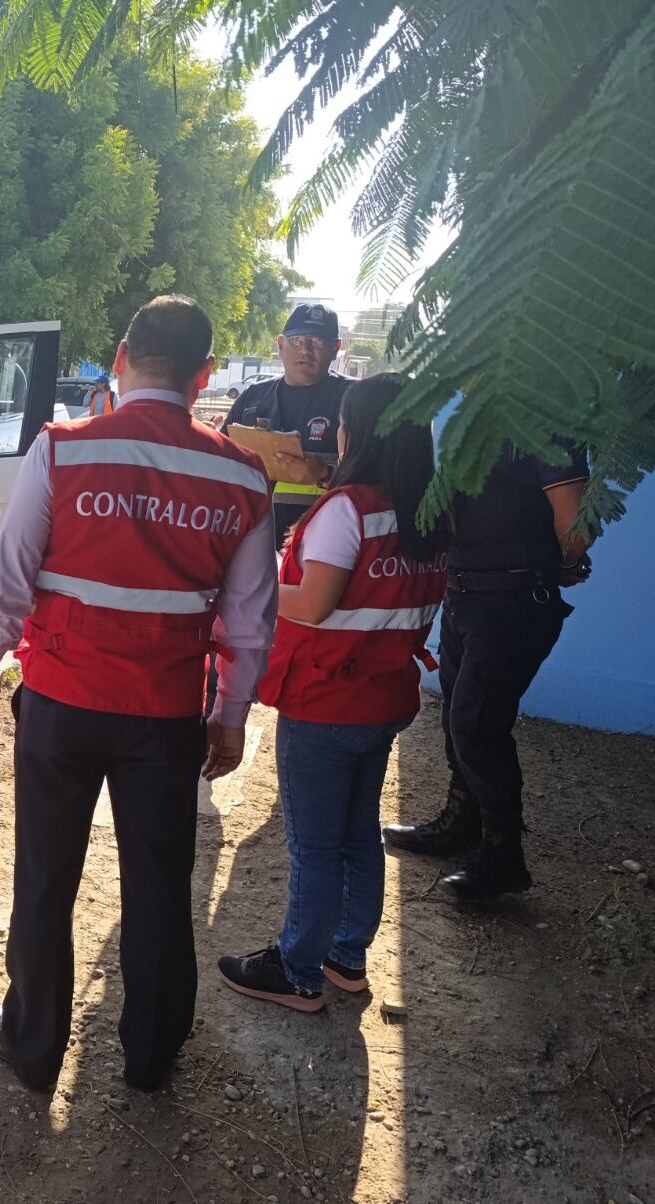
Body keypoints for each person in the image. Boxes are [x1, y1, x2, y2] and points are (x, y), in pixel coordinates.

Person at [0, 295, 278, 1092]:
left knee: (45, 875)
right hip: (166, 715)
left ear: (121, 356)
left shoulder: (63, 450)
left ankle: (33, 1048)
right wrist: (229, 717)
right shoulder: (240, 476)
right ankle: (151, 1055)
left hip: (61, 703)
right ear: (204, 375)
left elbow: (6, 579)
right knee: (162, 884)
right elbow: (249, 621)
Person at [216, 375, 447, 1011]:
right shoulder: (428, 510)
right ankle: (346, 957)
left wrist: (246, 588)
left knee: (314, 846)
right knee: (357, 835)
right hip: (382, 697)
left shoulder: (349, 510)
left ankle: (297, 971)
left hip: (326, 700)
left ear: (358, 432)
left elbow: (313, 604)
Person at [382, 438, 592, 900]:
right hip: (464, 599)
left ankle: (503, 858)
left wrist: (557, 562)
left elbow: (576, 526)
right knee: (457, 715)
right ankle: (462, 823)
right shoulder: (477, 428)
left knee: (476, 725)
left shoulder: (550, 431)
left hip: (513, 603)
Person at [226, 304, 350, 545]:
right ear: (281, 345)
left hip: (325, 545)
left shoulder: (354, 400)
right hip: (250, 539)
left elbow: (380, 481)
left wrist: (325, 475)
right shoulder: (253, 398)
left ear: (336, 349)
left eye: (317, 342)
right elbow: (221, 461)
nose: (305, 351)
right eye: (297, 340)